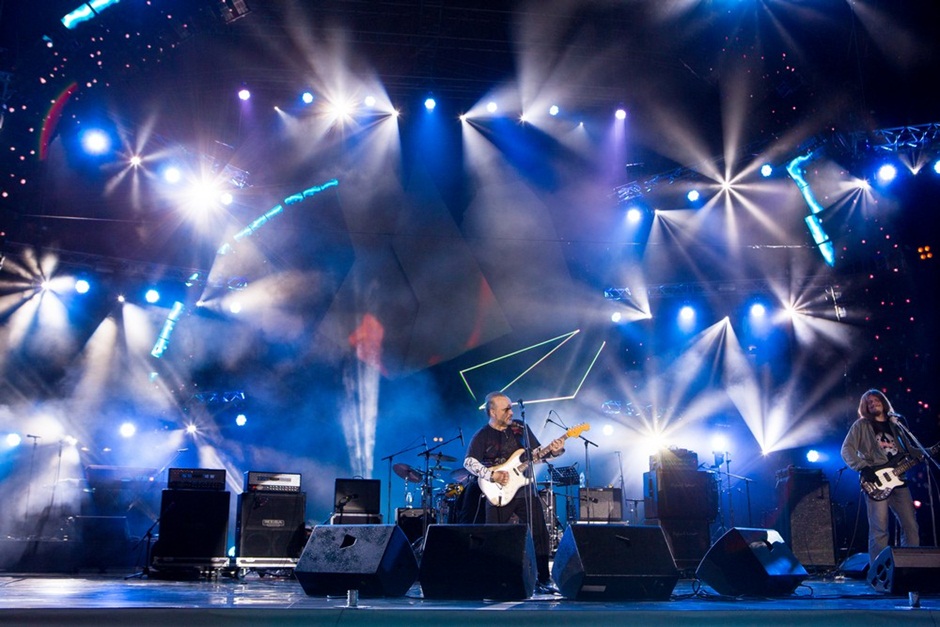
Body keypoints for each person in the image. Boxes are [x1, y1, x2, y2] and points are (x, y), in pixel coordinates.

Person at [463, 392, 566, 590]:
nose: (511, 412)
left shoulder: (520, 427)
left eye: (511, 408)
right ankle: (493, 578)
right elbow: (468, 462)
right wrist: (491, 475)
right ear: (492, 412)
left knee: (540, 533)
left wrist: (555, 451)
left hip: (524, 489)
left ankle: (544, 578)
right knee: (494, 536)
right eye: (506, 409)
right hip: (498, 493)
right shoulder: (483, 434)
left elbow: (537, 454)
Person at [840, 388, 921, 565]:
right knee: (879, 530)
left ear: (883, 402)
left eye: (876, 400)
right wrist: (863, 467)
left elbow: (910, 451)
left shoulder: (896, 425)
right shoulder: (861, 426)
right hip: (876, 481)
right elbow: (846, 450)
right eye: (869, 402)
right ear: (865, 407)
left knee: (911, 526)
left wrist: (929, 451)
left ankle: (910, 568)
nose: (873, 404)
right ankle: (879, 572)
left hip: (900, 481)